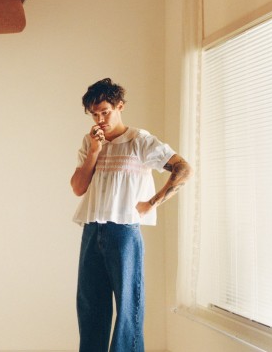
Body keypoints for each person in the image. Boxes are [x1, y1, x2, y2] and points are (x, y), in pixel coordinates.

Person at [69, 78, 192, 352]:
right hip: (92, 230)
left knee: (128, 306)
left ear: (120, 106)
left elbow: (183, 169)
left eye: (105, 112)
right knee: (90, 306)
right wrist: (94, 151)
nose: (100, 120)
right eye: (94, 114)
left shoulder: (140, 141)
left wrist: (152, 202)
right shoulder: (90, 142)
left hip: (123, 232)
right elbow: (78, 188)